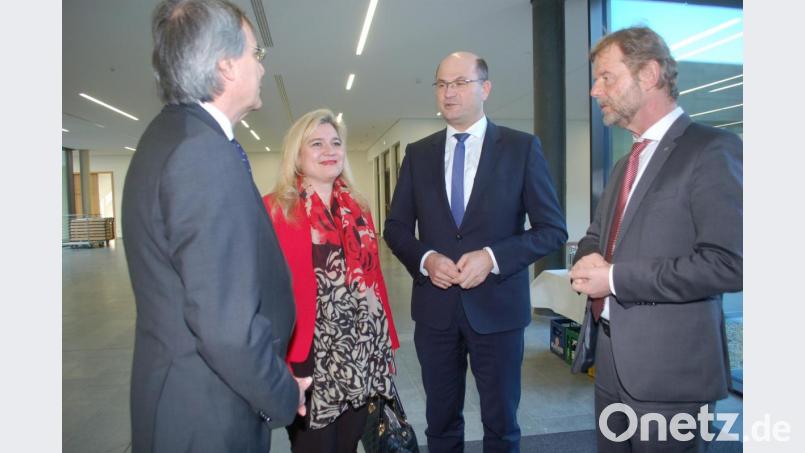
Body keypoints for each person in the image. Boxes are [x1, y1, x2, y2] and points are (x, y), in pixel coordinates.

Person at [122, 1, 310, 451]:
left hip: (187, 398)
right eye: (254, 55)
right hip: (207, 414)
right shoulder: (201, 155)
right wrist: (283, 395)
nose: (261, 69)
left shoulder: (170, 136)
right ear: (226, 66)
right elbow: (226, 326)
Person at [569, 26, 742, 452]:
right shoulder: (626, 161)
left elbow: (729, 263)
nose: (595, 90)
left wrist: (614, 279)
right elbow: (597, 236)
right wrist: (589, 259)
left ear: (648, 74)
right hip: (610, 364)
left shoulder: (712, 149)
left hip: (671, 374)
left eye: (606, 77)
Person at [384, 52, 567, 452]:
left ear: (485, 88)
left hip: (498, 310)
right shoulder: (418, 154)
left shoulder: (521, 148)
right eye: (442, 84)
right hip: (435, 312)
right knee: (440, 423)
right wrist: (426, 260)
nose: (449, 93)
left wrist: (493, 257)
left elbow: (552, 230)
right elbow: (395, 228)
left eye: (460, 83)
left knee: (501, 424)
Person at [263, 108, 401, 453]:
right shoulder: (275, 209)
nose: (329, 151)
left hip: (361, 353)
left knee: (348, 444)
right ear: (297, 154)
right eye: (317, 143)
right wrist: (276, 364)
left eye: (335, 143)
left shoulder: (358, 207)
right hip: (307, 357)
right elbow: (263, 294)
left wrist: (385, 348)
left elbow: (375, 283)